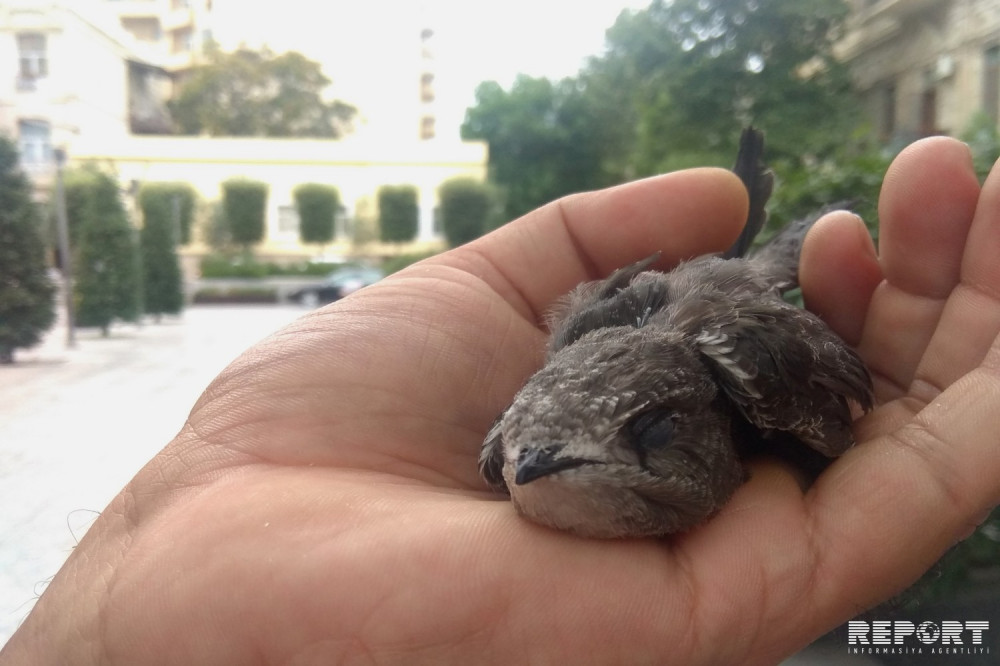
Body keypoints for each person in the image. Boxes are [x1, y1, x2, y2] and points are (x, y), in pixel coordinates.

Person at [3, 136, 998, 665]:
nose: (525, 471)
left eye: (649, 437)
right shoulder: (520, 446)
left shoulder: (737, 356)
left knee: (779, 268)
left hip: (716, 319)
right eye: (516, 456)